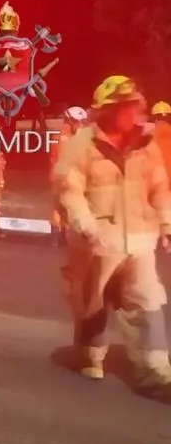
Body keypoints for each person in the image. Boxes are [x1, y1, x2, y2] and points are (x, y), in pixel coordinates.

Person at [54, 75, 171, 398]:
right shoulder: (83, 144)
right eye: (126, 107)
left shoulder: (148, 146)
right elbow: (69, 189)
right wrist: (87, 226)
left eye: (136, 106)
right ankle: (91, 354)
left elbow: (159, 187)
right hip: (97, 242)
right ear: (107, 111)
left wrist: (166, 223)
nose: (134, 113)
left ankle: (155, 372)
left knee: (147, 300)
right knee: (93, 302)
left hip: (139, 239)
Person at [49, 106, 89, 246]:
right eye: (78, 122)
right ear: (71, 121)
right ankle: (59, 235)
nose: (81, 125)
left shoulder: (68, 135)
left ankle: (60, 235)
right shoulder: (63, 137)